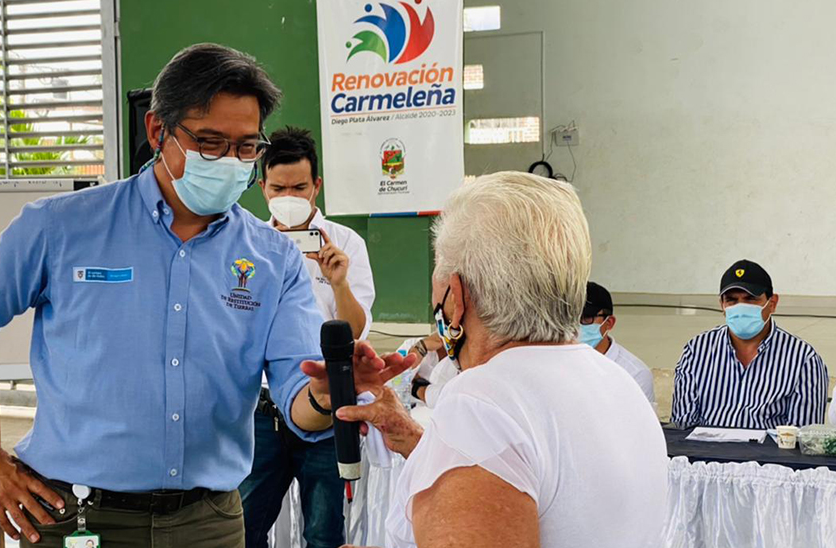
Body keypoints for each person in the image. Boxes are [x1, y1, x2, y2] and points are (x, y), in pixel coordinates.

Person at [0, 43, 412, 548]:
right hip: (72, 516)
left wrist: (326, 394)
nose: (229, 162)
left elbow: (296, 398)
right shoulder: (62, 228)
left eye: (246, 147)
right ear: (158, 131)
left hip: (209, 524)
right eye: (210, 142)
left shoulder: (275, 259)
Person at [340, 172, 668, 548]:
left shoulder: (481, 402)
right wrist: (418, 441)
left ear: (456, 298)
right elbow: (542, 487)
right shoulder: (615, 381)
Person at [240, 126, 376, 548]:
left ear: (317, 186)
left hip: (326, 407)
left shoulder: (346, 243)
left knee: (323, 531)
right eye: (279, 187)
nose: (290, 196)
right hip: (261, 411)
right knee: (244, 526)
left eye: (300, 186)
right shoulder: (247, 245)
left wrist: (338, 282)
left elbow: (354, 332)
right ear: (262, 187)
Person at [672, 259, 828, 429]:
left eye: (750, 299)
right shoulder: (697, 351)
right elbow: (682, 428)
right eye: (731, 300)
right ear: (722, 305)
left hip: (768, 455)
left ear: (772, 303)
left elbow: (804, 438)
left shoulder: (803, 359)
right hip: (706, 454)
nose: (740, 307)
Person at [578, 281, 656, 407]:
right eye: (570, 317)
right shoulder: (555, 363)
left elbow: (639, 424)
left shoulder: (634, 373)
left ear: (609, 323)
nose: (576, 325)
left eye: (586, 318)